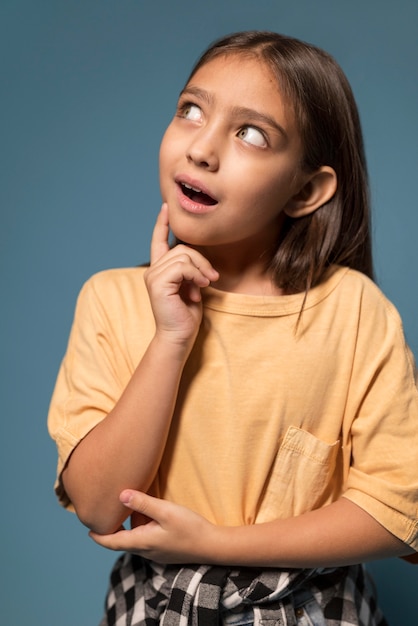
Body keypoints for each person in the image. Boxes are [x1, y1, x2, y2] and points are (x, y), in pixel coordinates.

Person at [48, 31, 418, 625]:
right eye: (191, 110)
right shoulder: (111, 299)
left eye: (251, 133)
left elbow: (398, 511)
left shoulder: (355, 311)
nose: (201, 148)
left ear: (307, 190)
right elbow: (96, 505)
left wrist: (212, 544)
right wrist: (170, 342)